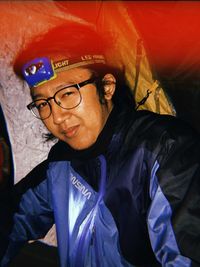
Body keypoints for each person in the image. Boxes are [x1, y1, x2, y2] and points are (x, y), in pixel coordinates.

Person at [0, 22, 200, 267]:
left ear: (107, 87)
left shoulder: (165, 150)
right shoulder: (61, 162)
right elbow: (14, 216)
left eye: (67, 94)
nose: (56, 116)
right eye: (43, 104)